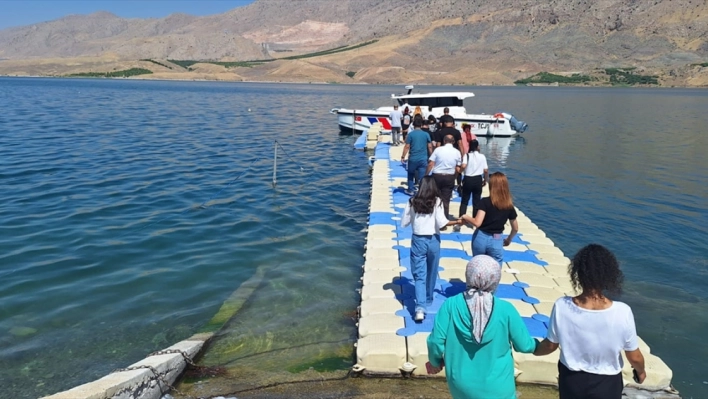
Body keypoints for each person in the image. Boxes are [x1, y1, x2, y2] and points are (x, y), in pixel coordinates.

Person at [534, 244, 646, 399]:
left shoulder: (562, 306)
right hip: (607, 383)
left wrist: (532, 348)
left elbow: (550, 345)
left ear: (578, 274)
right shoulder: (623, 311)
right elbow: (634, 357)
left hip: (572, 380)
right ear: (609, 276)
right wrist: (640, 371)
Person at [427, 255, 539, 399]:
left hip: (461, 386)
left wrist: (435, 362)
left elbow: (435, 342)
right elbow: (525, 346)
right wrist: (541, 345)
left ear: (468, 275)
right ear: (495, 279)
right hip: (499, 388)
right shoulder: (506, 309)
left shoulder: (450, 305)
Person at [401, 176, 460, 321]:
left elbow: (404, 222)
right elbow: (442, 223)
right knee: (432, 270)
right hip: (433, 240)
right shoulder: (437, 202)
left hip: (418, 240)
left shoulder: (412, 202)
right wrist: (458, 221)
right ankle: (428, 297)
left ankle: (420, 308)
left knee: (419, 274)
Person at [460, 172, 518, 265]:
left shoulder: (485, 202)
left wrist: (465, 216)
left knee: (478, 266)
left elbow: (477, 222)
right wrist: (509, 239)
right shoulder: (508, 206)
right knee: (495, 269)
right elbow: (515, 228)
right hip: (497, 238)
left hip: (481, 237)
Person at [426, 134, 461, 220]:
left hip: (437, 176)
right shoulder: (457, 152)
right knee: (446, 199)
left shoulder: (438, 150)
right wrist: (454, 177)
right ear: (453, 142)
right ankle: (444, 220)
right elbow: (458, 168)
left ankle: (433, 218)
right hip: (449, 176)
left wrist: (426, 175)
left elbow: (431, 164)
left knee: (434, 198)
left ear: (444, 141)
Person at [401, 116, 433, 195]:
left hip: (413, 158)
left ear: (413, 125)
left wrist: (403, 156)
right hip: (423, 158)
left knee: (411, 174)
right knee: (422, 176)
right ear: (421, 125)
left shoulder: (410, 135)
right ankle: (421, 191)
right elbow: (429, 146)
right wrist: (432, 156)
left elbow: (407, 146)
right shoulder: (426, 134)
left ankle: (410, 190)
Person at [459, 139, 488, 219]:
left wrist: (460, 171)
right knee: (477, 201)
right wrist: (485, 180)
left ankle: (462, 218)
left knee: (464, 200)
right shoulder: (482, 156)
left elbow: (464, 166)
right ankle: (475, 219)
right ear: (478, 147)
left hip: (468, 179)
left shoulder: (467, 155)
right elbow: (485, 170)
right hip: (478, 179)